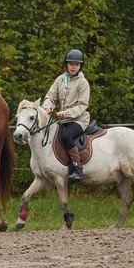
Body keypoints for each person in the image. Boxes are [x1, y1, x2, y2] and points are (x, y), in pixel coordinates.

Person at [42, 49, 90, 182]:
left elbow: (82, 105)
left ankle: (77, 169)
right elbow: (50, 96)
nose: (73, 67)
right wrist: (47, 106)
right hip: (63, 120)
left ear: (80, 66)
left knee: (66, 135)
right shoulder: (60, 80)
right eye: (71, 64)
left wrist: (66, 113)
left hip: (79, 119)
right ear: (67, 65)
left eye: (76, 64)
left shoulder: (83, 83)